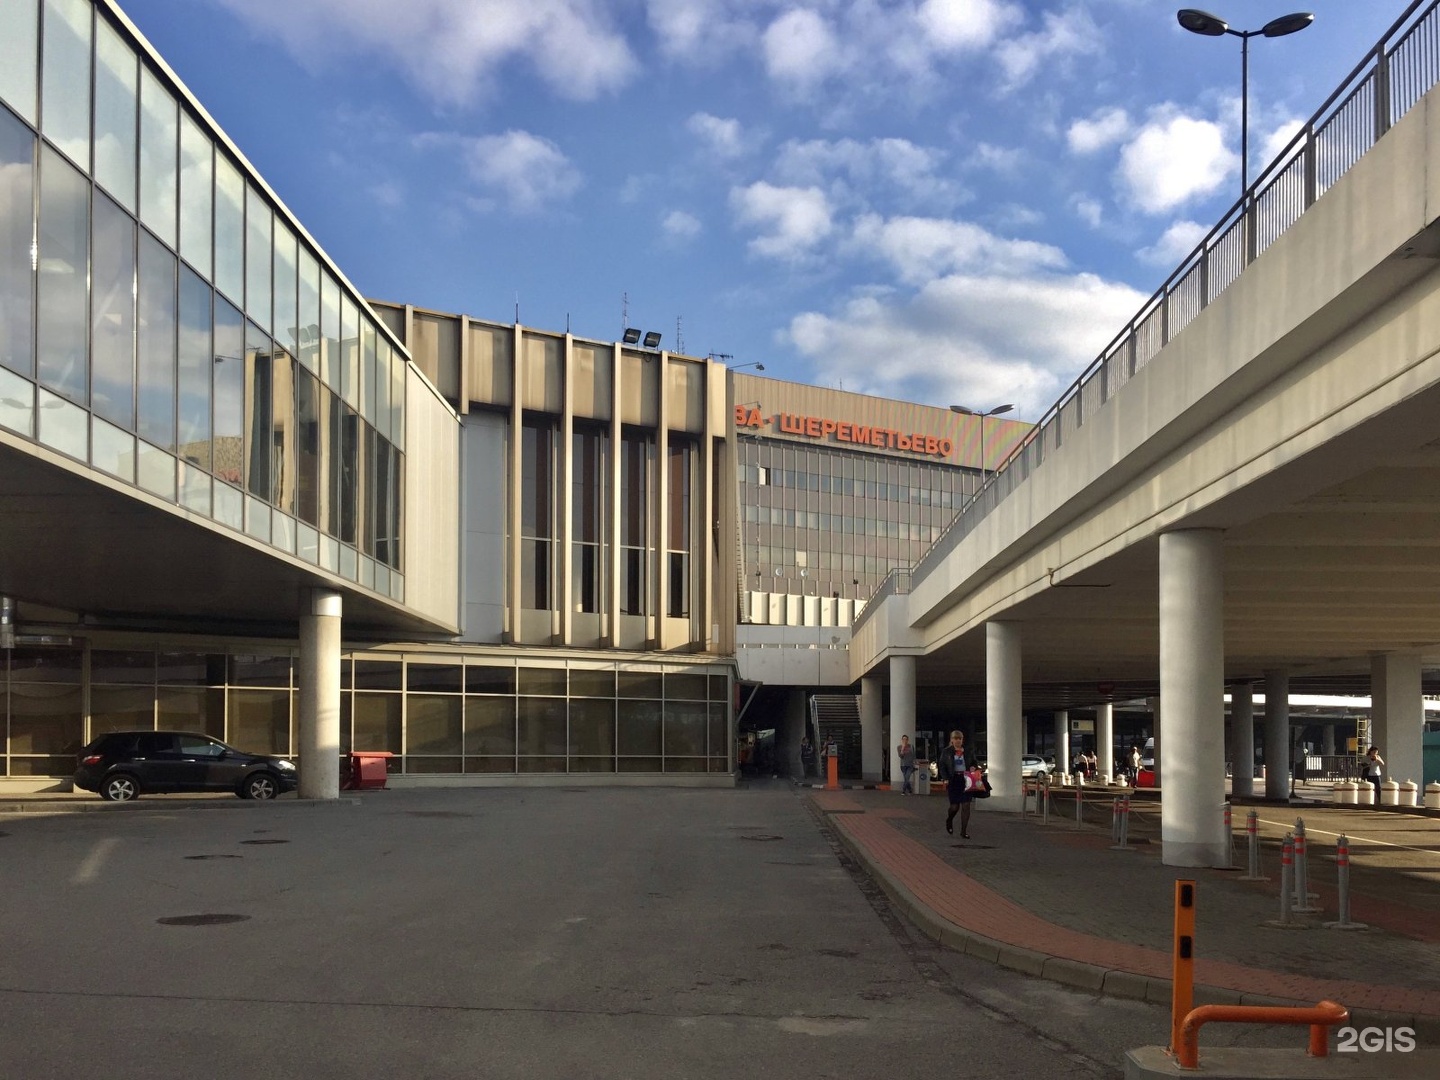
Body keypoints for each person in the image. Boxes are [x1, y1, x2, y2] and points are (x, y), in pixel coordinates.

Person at [938, 730, 974, 838]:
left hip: (966, 779)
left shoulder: (968, 751)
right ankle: (949, 820)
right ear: (952, 740)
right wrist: (945, 778)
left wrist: (974, 767)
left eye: (960, 739)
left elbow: (974, 762)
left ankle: (963, 831)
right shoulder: (947, 751)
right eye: (956, 738)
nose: (958, 741)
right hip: (953, 779)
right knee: (955, 807)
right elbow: (942, 765)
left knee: (966, 805)